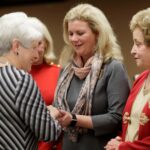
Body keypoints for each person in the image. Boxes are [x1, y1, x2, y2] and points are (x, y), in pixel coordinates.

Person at [53, 3, 130, 150]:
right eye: (70, 34)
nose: (74, 39)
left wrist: (74, 119)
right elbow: (60, 109)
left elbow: (116, 118)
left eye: (80, 33)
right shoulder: (66, 68)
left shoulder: (113, 67)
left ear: (98, 34)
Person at [0, 12, 61, 150]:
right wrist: (50, 114)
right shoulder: (20, 80)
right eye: (33, 47)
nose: (35, 55)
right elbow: (49, 133)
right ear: (16, 46)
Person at [105, 7, 150, 150]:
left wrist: (124, 147)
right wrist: (123, 139)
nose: (132, 50)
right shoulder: (141, 78)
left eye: (138, 44)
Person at [28, 17, 62, 150]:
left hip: (53, 143)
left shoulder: (60, 72)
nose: (35, 49)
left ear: (46, 44)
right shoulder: (13, 75)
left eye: (39, 43)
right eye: (30, 44)